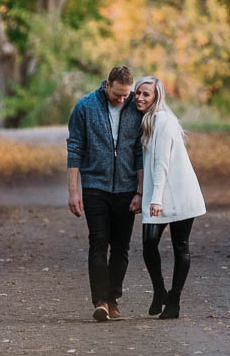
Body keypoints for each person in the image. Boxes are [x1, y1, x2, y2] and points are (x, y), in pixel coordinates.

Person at [67, 65, 144, 322]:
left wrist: (141, 192)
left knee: (121, 247)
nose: (122, 100)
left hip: (126, 187)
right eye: (117, 94)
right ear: (107, 85)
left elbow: (140, 152)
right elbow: (75, 148)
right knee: (98, 242)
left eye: (126, 95)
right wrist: (73, 191)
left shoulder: (136, 106)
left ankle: (113, 299)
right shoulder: (85, 107)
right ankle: (100, 301)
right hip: (95, 186)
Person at [131, 75, 206, 319]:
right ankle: (159, 291)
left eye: (146, 94)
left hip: (179, 193)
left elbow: (162, 163)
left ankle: (174, 300)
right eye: (138, 93)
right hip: (160, 193)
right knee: (149, 244)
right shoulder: (148, 120)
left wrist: (155, 199)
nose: (140, 97)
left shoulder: (163, 121)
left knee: (180, 246)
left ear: (156, 98)